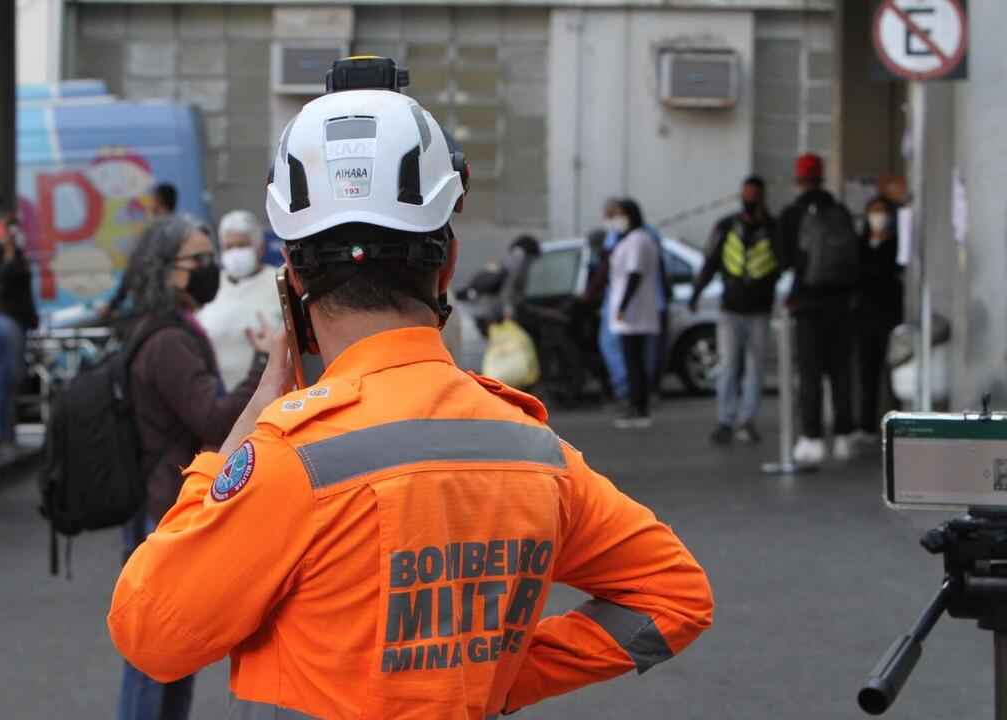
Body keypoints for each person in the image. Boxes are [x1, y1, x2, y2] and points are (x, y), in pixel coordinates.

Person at [110, 78, 712, 718]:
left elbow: (150, 635)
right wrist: (504, 675)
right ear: (447, 265)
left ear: (292, 272)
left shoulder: (292, 458)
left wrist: (231, 448)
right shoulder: (537, 451)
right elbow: (675, 597)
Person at [116, 216, 272, 720]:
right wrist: (264, 365)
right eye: (198, 260)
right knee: (156, 659)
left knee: (172, 655)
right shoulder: (168, 341)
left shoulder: (168, 329)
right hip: (163, 507)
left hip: (160, 500)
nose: (210, 269)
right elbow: (212, 417)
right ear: (166, 270)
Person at [778, 153, 860, 466]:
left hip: (807, 306)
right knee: (841, 372)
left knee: (809, 374)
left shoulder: (791, 214)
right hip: (840, 305)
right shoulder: (840, 211)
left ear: (798, 180)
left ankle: (811, 438)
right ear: (822, 177)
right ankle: (843, 436)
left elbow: (782, 259)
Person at [690, 176, 781, 445]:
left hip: (760, 310)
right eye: (747, 193)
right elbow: (711, 261)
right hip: (731, 309)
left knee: (755, 368)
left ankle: (747, 420)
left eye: (755, 194)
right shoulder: (727, 226)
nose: (750, 198)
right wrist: (696, 292)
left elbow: (783, 260)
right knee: (729, 365)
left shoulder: (773, 228)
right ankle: (726, 420)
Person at [0, 203, 38, 458]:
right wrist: (8, 251)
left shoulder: (16, 253)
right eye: (8, 224)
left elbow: (23, 286)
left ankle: (6, 435)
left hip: (16, 318)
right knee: (0, 378)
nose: (13, 229)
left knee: (12, 379)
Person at [195, 210, 281, 390]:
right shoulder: (210, 285)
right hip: (223, 397)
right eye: (229, 247)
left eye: (242, 245)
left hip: (275, 393)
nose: (235, 252)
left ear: (260, 247)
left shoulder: (278, 282)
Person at [608, 199, 662, 429]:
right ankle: (637, 405)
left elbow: (634, 275)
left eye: (620, 214)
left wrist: (623, 307)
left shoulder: (638, 241)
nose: (616, 219)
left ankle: (638, 407)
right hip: (633, 313)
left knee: (634, 362)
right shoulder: (631, 240)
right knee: (634, 361)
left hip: (634, 314)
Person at [856, 195, 904, 440]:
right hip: (864, 317)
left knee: (891, 373)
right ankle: (866, 425)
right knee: (867, 372)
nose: (878, 216)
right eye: (873, 210)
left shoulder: (896, 245)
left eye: (882, 211)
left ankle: (896, 423)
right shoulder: (860, 244)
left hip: (890, 316)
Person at [101, 181, 181, 322]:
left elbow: (132, 271)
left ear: (158, 201)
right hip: (181, 308)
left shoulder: (151, 232)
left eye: (151, 200)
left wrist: (112, 305)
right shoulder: (186, 231)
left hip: (153, 312)